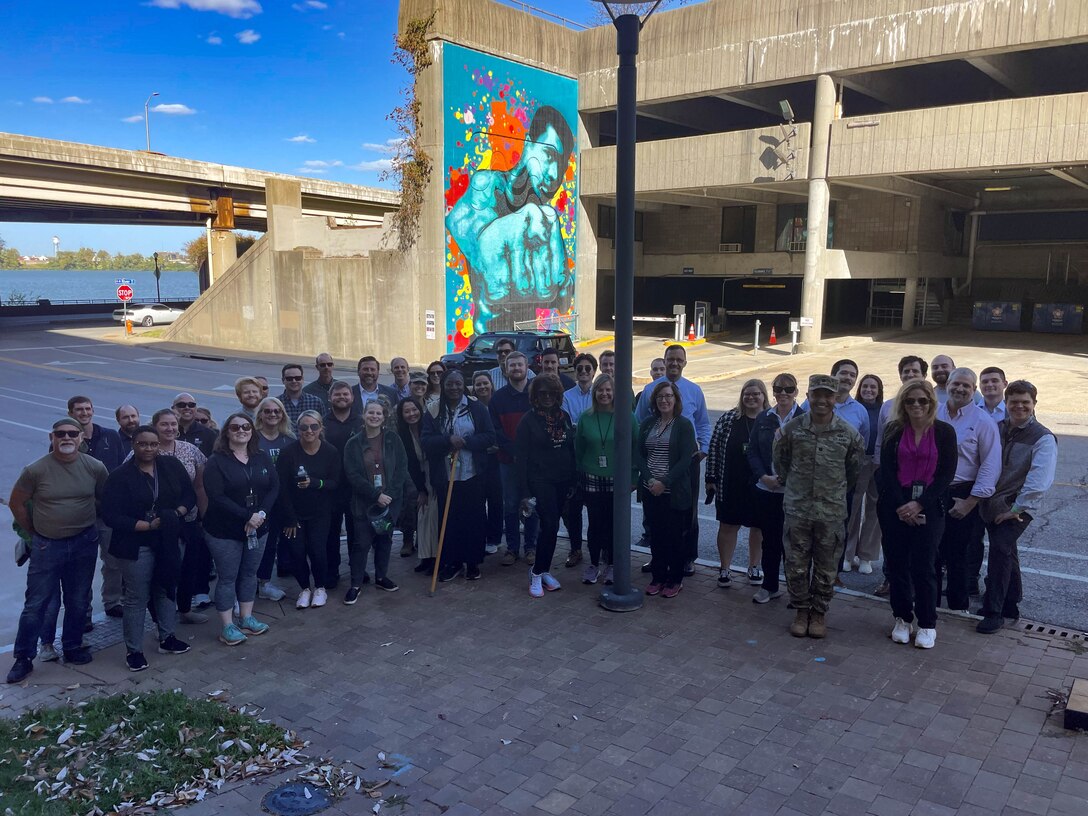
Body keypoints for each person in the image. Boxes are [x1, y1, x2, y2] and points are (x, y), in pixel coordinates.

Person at [445, 104, 576, 333]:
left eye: (562, 164)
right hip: (488, 346)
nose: (555, 174)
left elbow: (563, 302)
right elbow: (460, 222)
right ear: (527, 144)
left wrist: (563, 283)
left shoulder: (547, 221)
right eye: (549, 155)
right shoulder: (490, 188)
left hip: (525, 343)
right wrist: (490, 237)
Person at [7, 418, 108, 684]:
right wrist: (34, 533)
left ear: (81, 438)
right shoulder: (35, 470)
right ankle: (23, 658)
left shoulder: (95, 467)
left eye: (72, 433)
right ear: (52, 437)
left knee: (77, 599)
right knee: (36, 603)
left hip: (84, 542)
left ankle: (73, 646)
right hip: (47, 545)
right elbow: (17, 502)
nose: (66, 437)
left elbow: (103, 498)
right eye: (60, 434)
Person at [773, 375, 863, 639]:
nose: (822, 400)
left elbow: (853, 471)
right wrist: (797, 487)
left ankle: (819, 612)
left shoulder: (848, 434)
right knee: (796, 563)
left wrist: (831, 492)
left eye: (828, 395)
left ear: (836, 398)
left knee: (826, 566)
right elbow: (780, 462)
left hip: (831, 511)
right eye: (817, 395)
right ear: (809, 395)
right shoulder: (792, 429)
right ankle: (801, 610)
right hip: (798, 509)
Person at [102, 425, 196, 672]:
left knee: (166, 588)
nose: (148, 449)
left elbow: (189, 495)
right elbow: (110, 514)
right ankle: (134, 650)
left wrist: (176, 514)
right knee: (137, 597)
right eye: (143, 444)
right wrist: (144, 525)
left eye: (153, 444)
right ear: (133, 445)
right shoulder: (120, 476)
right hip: (136, 543)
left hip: (167, 538)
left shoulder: (171, 466)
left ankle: (167, 638)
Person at [877, 380, 957, 649]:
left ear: (931, 403)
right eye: (910, 401)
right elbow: (886, 471)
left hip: (929, 506)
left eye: (922, 400)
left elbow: (946, 474)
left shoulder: (944, 432)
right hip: (895, 506)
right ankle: (902, 618)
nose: (916, 405)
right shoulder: (893, 430)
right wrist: (902, 505)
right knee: (897, 565)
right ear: (903, 404)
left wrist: (919, 503)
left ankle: (927, 624)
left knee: (924, 567)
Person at [976, 381, 1056, 634]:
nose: (1019, 406)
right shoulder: (996, 428)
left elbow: (1039, 480)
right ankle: (1011, 603)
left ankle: (994, 611)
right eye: (1014, 402)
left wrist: (1017, 509)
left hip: (1017, 506)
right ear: (1006, 402)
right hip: (992, 502)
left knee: (1000, 551)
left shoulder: (1043, 438)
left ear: (1034, 404)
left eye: (1025, 402)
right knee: (1007, 550)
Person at [201, 412, 279, 646]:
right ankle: (227, 626)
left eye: (246, 426)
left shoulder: (261, 457)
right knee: (227, 577)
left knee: (249, 574)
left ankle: (246, 618)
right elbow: (216, 496)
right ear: (226, 432)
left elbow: (274, 487)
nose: (241, 431)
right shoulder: (216, 461)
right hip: (224, 530)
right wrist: (248, 516)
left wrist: (260, 515)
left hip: (258, 528)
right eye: (235, 427)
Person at [635, 345, 710, 576]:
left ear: (685, 363)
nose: (674, 364)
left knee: (685, 512)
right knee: (654, 514)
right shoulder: (649, 390)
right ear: (664, 361)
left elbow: (703, 423)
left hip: (685, 464)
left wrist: (703, 449)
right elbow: (638, 423)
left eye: (679, 360)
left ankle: (686, 558)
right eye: (670, 359)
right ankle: (658, 557)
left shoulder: (694, 391)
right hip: (655, 461)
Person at [936, 368, 1001, 612]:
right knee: (932, 551)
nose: (960, 389)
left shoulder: (984, 422)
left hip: (964, 493)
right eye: (956, 384)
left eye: (966, 386)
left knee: (959, 556)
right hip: (935, 490)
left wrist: (970, 501)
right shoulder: (934, 414)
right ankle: (929, 605)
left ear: (974, 390)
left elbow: (990, 464)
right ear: (948, 385)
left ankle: (957, 607)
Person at [422, 371, 496, 582]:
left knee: (473, 518)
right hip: (445, 476)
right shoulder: (434, 410)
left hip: (472, 474)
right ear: (443, 386)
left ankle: (472, 562)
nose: (453, 387)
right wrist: (447, 440)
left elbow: (490, 437)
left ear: (464, 385)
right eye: (449, 384)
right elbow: (426, 440)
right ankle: (452, 562)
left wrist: (467, 442)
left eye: (458, 383)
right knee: (449, 519)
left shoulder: (477, 409)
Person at [514, 375, 576, 597]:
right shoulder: (528, 421)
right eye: (543, 394)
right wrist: (524, 493)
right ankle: (537, 573)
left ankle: (544, 568)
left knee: (553, 526)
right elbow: (519, 459)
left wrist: (572, 480)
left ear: (558, 395)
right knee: (549, 524)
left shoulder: (564, 417)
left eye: (552, 393)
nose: (548, 398)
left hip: (562, 480)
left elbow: (570, 448)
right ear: (535, 396)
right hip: (540, 481)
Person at [65, 396, 125, 623]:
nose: (84, 413)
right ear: (71, 412)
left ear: (93, 410)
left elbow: (121, 469)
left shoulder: (110, 435)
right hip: (81, 515)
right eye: (79, 409)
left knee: (113, 561)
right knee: (83, 566)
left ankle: (112, 601)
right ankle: (85, 612)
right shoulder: (66, 438)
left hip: (109, 513)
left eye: (87, 409)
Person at [872, 355, 928, 597]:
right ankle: (890, 579)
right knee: (891, 535)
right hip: (891, 480)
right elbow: (879, 443)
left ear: (923, 375)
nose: (909, 375)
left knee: (919, 540)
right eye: (905, 371)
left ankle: (917, 583)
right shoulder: (888, 406)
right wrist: (879, 473)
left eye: (914, 371)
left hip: (921, 485)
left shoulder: (931, 405)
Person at [636, 380, 698, 598]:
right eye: (660, 397)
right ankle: (658, 577)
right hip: (651, 490)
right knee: (656, 536)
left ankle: (675, 579)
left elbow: (685, 459)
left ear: (676, 400)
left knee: (674, 538)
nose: (664, 400)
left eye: (668, 396)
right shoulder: (647, 424)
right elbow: (639, 454)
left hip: (673, 492)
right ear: (655, 400)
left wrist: (665, 482)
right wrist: (650, 479)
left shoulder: (683, 425)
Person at [747, 373, 804, 604]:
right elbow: (752, 452)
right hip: (767, 490)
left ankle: (797, 592)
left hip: (794, 494)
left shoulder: (805, 419)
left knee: (797, 544)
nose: (783, 393)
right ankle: (769, 586)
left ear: (796, 392)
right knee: (770, 541)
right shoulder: (764, 418)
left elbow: (808, 456)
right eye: (778, 389)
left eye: (788, 389)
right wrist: (764, 476)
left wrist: (788, 478)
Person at [344, 400, 410, 599]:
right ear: (364, 416)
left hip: (390, 501)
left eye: (378, 413)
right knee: (361, 543)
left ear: (384, 417)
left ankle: (381, 577)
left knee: (385, 539)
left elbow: (401, 467)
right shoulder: (353, 443)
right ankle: (355, 584)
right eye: (370, 413)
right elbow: (352, 474)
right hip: (364, 502)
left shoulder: (393, 439)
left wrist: (389, 494)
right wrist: (376, 495)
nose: (374, 416)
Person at [149, 408, 210, 625]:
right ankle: (160, 621)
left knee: (189, 567)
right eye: (164, 424)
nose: (170, 428)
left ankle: (185, 610)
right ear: (155, 426)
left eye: (173, 424)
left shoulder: (190, 450)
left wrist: (204, 517)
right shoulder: (147, 451)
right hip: (160, 525)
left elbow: (200, 486)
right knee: (163, 572)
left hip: (189, 520)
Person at [706, 379, 768, 588]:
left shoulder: (770, 419)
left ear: (764, 396)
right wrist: (710, 478)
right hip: (730, 483)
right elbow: (714, 447)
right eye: (746, 394)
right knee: (728, 526)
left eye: (756, 394)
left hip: (761, 485)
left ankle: (754, 567)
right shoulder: (729, 418)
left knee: (758, 528)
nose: (751, 397)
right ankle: (725, 568)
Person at [276, 411, 341, 610]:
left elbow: (335, 483)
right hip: (294, 512)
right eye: (304, 427)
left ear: (321, 428)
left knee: (317, 549)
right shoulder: (288, 453)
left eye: (314, 426)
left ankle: (320, 587)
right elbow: (281, 487)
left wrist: (315, 483)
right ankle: (304, 588)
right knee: (296, 551)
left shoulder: (330, 452)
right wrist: (289, 518)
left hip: (320, 512)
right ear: (298, 429)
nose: (309, 431)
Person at [574, 374, 634, 585]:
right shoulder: (585, 417)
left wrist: (633, 477)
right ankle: (593, 564)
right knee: (595, 524)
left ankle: (611, 564)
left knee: (613, 524)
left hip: (616, 481)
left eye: (609, 390)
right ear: (594, 393)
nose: (604, 394)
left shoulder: (626, 416)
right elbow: (578, 449)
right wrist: (580, 473)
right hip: (592, 479)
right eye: (600, 390)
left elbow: (636, 447)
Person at [489, 351, 538, 565]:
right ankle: (512, 548)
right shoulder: (498, 399)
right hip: (508, 461)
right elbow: (495, 431)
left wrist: (526, 454)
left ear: (527, 367)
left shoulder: (537, 394)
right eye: (512, 366)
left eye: (520, 365)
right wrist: (514, 452)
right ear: (505, 370)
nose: (516, 368)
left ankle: (531, 548)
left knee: (531, 505)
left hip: (533, 463)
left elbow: (541, 426)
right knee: (509, 505)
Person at [253, 397, 294, 602]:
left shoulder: (289, 439)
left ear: (282, 415)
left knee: (271, 543)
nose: (272, 415)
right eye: (267, 411)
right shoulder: (253, 439)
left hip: (281, 500)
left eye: (277, 411)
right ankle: (247, 582)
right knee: (253, 543)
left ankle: (264, 582)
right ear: (260, 414)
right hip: (258, 500)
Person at [560, 352, 597, 568]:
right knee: (571, 510)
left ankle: (599, 548)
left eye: (587, 368)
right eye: (580, 368)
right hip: (572, 460)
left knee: (596, 509)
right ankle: (575, 549)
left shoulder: (600, 394)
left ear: (594, 371)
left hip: (594, 460)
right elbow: (567, 425)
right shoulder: (567, 396)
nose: (583, 372)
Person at [844, 374, 884, 574]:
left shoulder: (884, 409)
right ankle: (848, 554)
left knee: (874, 510)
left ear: (879, 390)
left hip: (878, 463)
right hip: (858, 462)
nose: (869, 390)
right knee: (853, 507)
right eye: (865, 386)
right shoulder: (855, 409)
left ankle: (866, 557)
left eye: (873, 387)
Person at [322, 381, 360, 588]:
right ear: (330, 398)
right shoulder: (322, 423)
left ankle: (357, 569)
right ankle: (332, 571)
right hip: (331, 486)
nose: (342, 397)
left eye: (346, 394)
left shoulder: (361, 422)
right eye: (337, 395)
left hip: (355, 486)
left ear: (352, 397)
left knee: (356, 532)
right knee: (331, 532)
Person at [397, 396, 440, 574]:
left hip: (436, 477)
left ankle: (437, 558)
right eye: (406, 411)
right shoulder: (403, 434)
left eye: (414, 410)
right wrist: (421, 490)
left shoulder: (428, 427)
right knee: (422, 515)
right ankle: (426, 556)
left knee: (434, 518)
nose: (411, 414)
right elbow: (412, 465)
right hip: (422, 480)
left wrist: (435, 484)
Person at [471, 371, 504, 555]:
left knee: (496, 499)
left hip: (497, 458)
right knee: (478, 498)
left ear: (491, 384)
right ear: (474, 388)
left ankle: (495, 537)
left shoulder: (498, 404)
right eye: (478, 384)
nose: (482, 387)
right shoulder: (471, 407)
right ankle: (481, 535)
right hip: (479, 457)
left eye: (485, 383)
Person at [278, 363, 326, 432]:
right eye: (289, 378)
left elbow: (323, 428)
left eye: (298, 378)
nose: (294, 381)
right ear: (283, 380)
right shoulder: (277, 404)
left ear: (302, 379)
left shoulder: (316, 402)